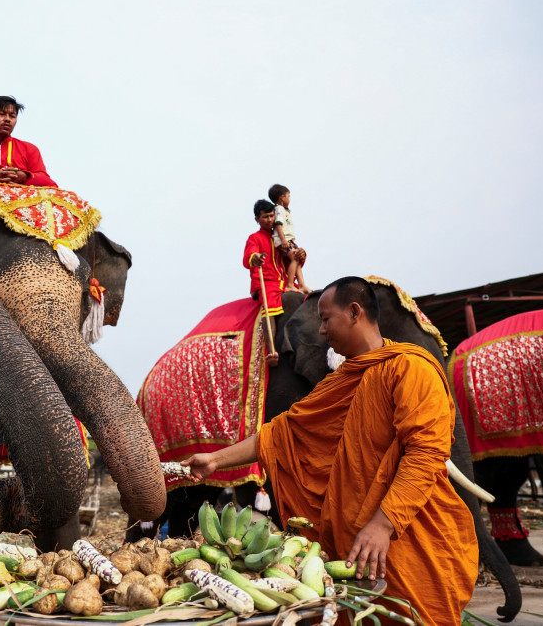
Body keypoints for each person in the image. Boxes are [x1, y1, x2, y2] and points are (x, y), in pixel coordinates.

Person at [183, 277, 479, 626]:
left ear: (355, 312)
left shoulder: (410, 368)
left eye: (326, 319)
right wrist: (215, 460)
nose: (321, 330)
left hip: (406, 540)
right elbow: (281, 434)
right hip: (350, 550)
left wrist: (383, 525)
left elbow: (425, 454)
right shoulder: (337, 383)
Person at [243, 199, 286, 366]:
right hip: (266, 281)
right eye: (265, 217)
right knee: (270, 309)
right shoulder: (255, 238)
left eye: (271, 216)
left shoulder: (279, 235)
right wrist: (256, 258)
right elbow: (249, 257)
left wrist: (299, 254)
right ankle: (272, 350)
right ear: (257, 219)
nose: (269, 220)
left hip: (284, 281)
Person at [269, 183, 310, 293]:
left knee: (298, 259)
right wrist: (283, 240)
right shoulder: (279, 209)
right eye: (288, 196)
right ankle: (290, 284)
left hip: (289, 240)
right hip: (285, 240)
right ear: (282, 198)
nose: (289, 198)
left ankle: (302, 284)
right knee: (295, 257)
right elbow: (278, 224)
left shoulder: (284, 210)